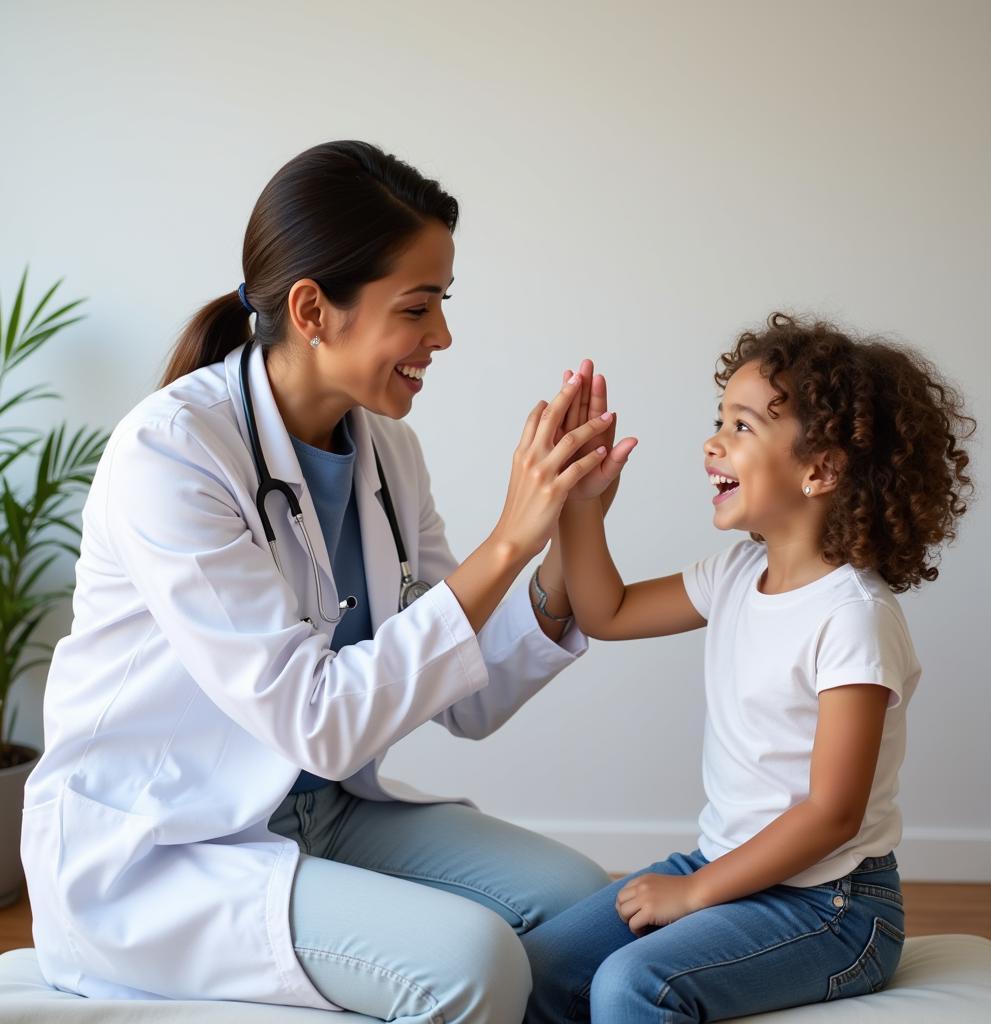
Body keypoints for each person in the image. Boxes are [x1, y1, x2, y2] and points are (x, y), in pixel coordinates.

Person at [20, 141, 632, 1022]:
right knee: (472, 964)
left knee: (585, 905)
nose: (443, 337)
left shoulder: (389, 452)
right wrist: (507, 540)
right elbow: (320, 723)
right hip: (165, 851)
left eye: (442, 304)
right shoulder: (173, 455)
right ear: (313, 309)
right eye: (417, 308)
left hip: (325, 814)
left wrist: (569, 528)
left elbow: (470, 694)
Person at [523, 313, 975, 1022]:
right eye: (721, 420)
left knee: (635, 986)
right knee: (540, 969)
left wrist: (696, 894)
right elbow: (605, 613)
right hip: (729, 866)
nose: (712, 443)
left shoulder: (853, 616)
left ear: (820, 469)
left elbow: (833, 813)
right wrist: (582, 507)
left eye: (741, 427)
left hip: (836, 906)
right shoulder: (737, 573)